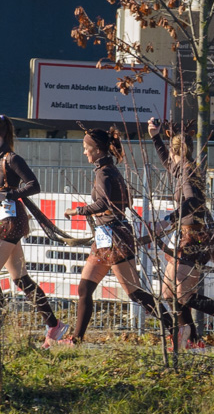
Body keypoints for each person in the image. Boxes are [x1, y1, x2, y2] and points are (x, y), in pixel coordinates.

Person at [56, 127, 176, 345]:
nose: (84, 152)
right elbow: (125, 201)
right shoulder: (112, 171)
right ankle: (76, 340)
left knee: (136, 294)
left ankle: (175, 330)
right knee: (85, 289)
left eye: (86, 148)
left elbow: (103, 203)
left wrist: (77, 211)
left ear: (97, 149)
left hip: (114, 239)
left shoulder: (103, 173)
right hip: (107, 237)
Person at [0, 112, 67, 346]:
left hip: (10, 223)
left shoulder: (12, 159)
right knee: (20, 279)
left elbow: (34, 186)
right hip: (1, 222)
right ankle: (54, 325)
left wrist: (8, 194)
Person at [149, 117, 214, 349]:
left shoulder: (188, 171)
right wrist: (155, 137)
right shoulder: (182, 168)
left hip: (196, 237)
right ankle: (193, 340)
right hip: (186, 234)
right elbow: (168, 163)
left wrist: (168, 220)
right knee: (168, 293)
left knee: (182, 294)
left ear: (175, 150)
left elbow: (192, 201)